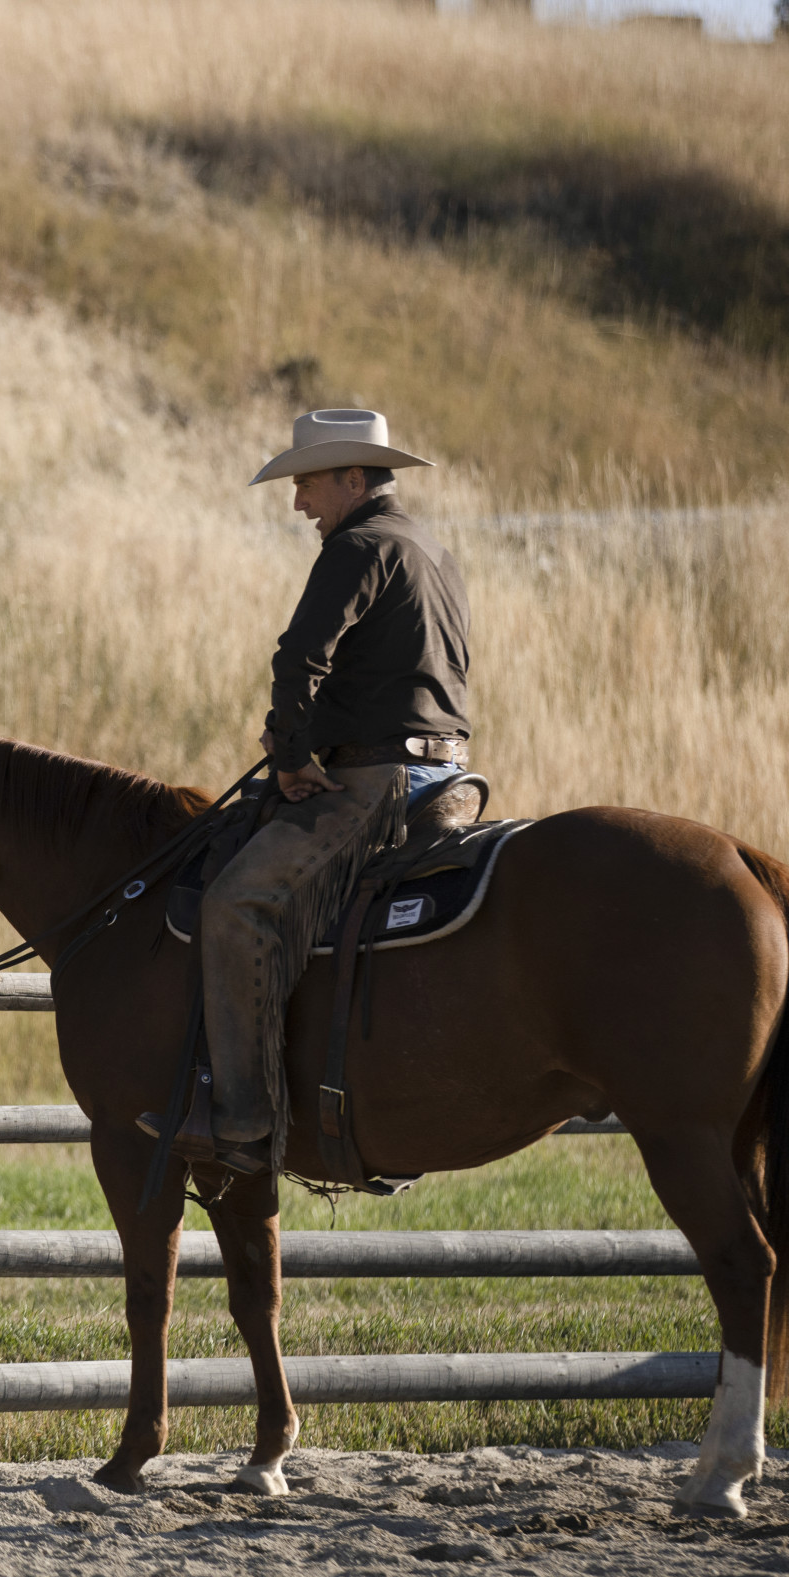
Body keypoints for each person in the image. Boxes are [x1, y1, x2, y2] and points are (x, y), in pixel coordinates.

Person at [198, 409, 471, 1176]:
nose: (298, 504)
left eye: (307, 483)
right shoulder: (433, 550)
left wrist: (290, 758)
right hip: (449, 776)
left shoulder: (356, 546)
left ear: (354, 478)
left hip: (377, 782)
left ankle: (246, 1125)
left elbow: (298, 662)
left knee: (233, 905)